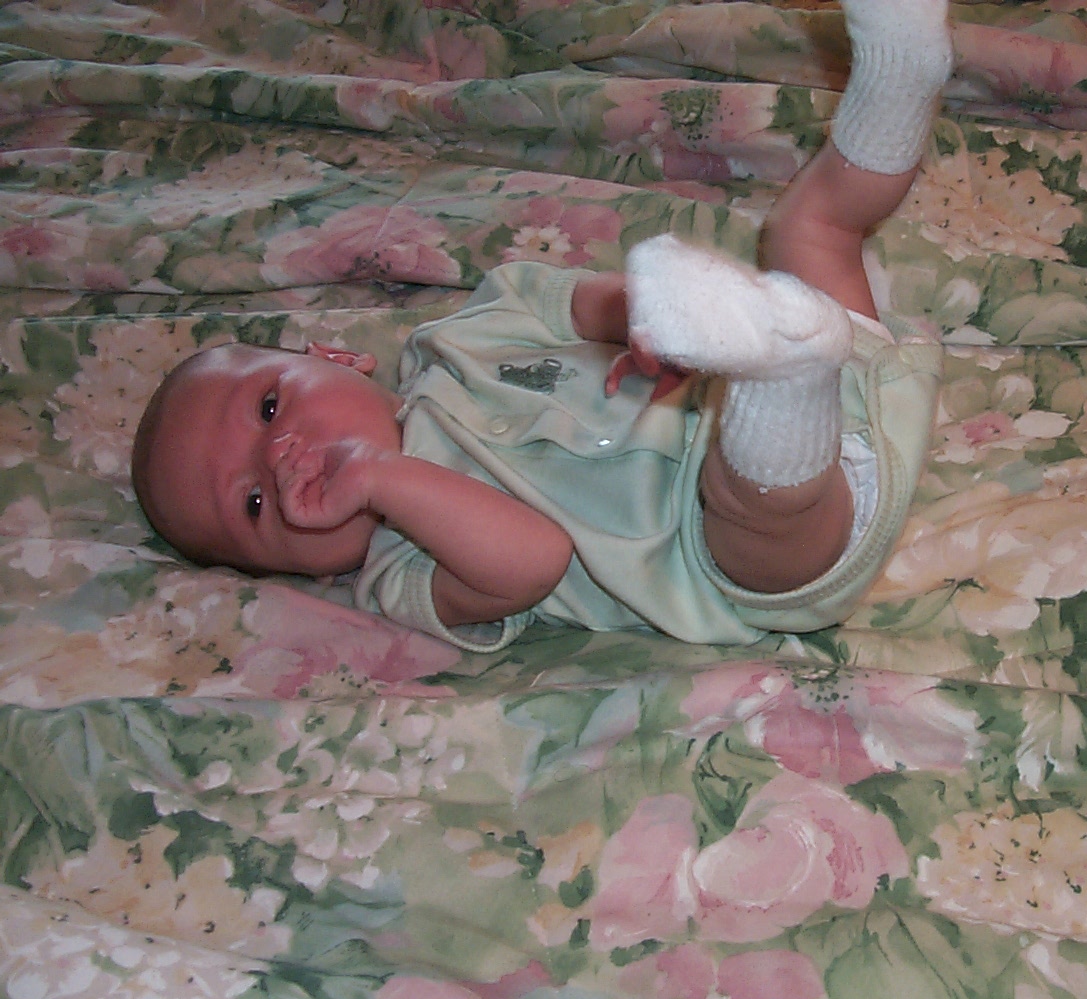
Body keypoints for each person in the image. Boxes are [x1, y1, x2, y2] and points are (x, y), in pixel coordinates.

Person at [130, 0, 950, 649]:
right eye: (252, 504)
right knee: (739, 500)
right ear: (286, 573)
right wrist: (378, 478)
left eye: (270, 406)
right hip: (757, 540)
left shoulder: (468, 331)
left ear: (335, 356)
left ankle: (900, 78)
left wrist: (642, 320)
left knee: (812, 228)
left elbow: (586, 305)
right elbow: (533, 559)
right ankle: (779, 375)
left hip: (816, 368)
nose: (281, 459)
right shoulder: (398, 573)